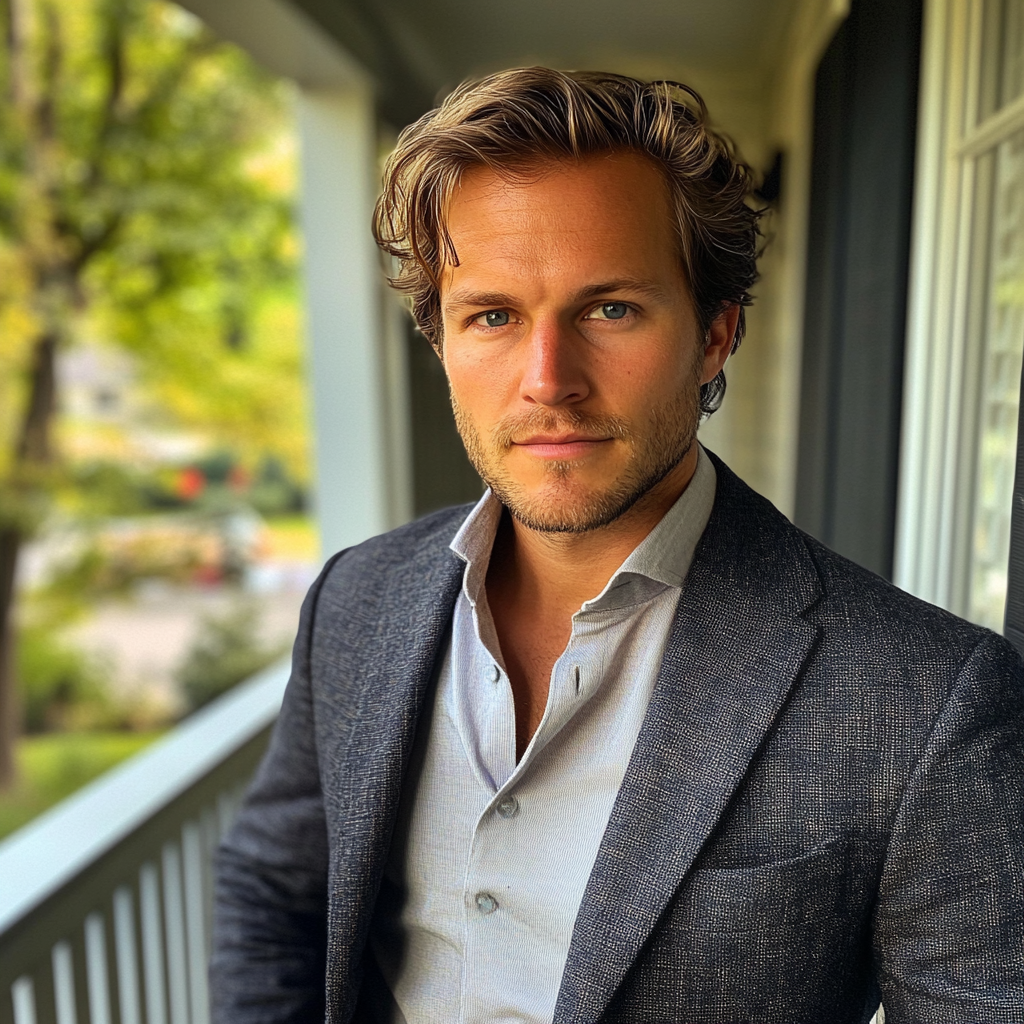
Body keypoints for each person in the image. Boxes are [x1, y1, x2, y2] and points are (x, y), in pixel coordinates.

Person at [211, 68, 1024, 1023]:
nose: (548, 380)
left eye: (610, 310)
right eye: (494, 316)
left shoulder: (925, 698)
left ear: (715, 334)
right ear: (442, 340)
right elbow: (270, 885)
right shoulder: (356, 597)